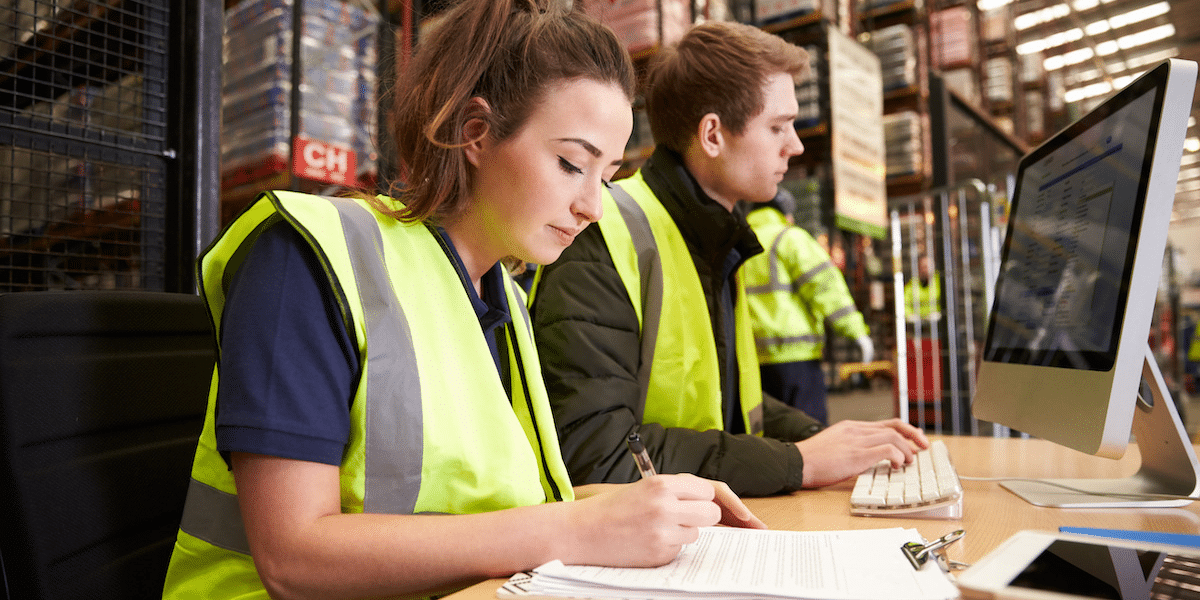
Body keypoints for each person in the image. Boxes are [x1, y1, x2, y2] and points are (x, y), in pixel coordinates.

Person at [162, 3, 765, 599]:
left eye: (605, 175)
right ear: (475, 133)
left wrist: (624, 504)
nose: (593, 206)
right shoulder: (309, 255)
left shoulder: (502, 299)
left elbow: (491, 509)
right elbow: (293, 559)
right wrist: (575, 526)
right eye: (570, 164)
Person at [529, 21, 928, 499]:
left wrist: (827, 440)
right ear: (713, 134)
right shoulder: (602, 234)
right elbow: (599, 454)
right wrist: (798, 461)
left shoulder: (717, 240)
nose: (795, 145)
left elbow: (732, 409)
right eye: (778, 126)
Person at [742, 187, 874, 425]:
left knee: (767, 434)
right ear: (785, 214)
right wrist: (857, 332)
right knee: (807, 430)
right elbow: (825, 286)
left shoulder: (737, 242)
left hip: (751, 360)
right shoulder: (789, 237)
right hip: (795, 357)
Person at [903, 254, 942, 322]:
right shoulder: (913, 283)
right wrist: (909, 315)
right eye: (922, 267)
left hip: (938, 321)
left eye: (927, 266)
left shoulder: (940, 281)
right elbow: (904, 303)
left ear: (933, 266)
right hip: (917, 322)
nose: (925, 270)